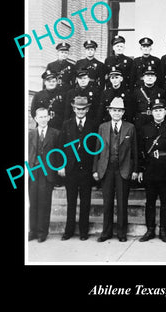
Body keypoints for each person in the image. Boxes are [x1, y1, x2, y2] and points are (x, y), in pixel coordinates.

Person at [92, 97, 138, 242]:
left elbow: (134, 150)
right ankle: (106, 233)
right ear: (110, 111)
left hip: (122, 169)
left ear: (123, 112)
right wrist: (95, 169)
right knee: (107, 202)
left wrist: (135, 169)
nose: (116, 113)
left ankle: (121, 233)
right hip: (106, 168)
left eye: (119, 111)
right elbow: (97, 150)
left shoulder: (130, 127)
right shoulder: (102, 127)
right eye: (114, 110)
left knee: (122, 203)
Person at [137, 99, 166, 243]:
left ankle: (163, 230)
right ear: (152, 112)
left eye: (161, 110)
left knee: (165, 202)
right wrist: (140, 170)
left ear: (165, 112)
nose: (158, 113)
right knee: (150, 202)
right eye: (156, 110)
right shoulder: (145, 128)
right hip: (150, 170)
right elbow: (140, 151)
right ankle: (150, 230)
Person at [59, 96, 98, 241]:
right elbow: (60, 147)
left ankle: (83, 231)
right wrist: (62, 165)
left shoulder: (93, 125)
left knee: (85, 202)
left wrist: (94, 168)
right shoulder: (67, 124)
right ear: (74, 109)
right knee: (71, 201)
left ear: (87, 109)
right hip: (71, 169)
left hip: (86, 169)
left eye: (83, 109)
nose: (80, 111)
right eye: (78, 108)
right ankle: (68, 231)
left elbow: (96, 148)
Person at [28, 107, 60, 242]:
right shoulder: (30, 134)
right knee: (33, 202)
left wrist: (58, 169)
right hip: (33, 171)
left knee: (45, 203)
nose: (42, 119)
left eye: (45, 116)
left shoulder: (56, 134)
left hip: (47, 173)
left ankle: (42, 232)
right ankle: (33, 231)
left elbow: (58, 155)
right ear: (35, 119)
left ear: (49, 117)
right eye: (40, 117)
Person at [130, 66, 165, 131]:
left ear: (155, 78)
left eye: (152, 76)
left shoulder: (161, 92)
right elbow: (133, 109)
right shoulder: (136, 92)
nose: (150, 78)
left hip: (154, 119)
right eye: (147, 76)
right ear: (143, 78)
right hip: (140, 120)